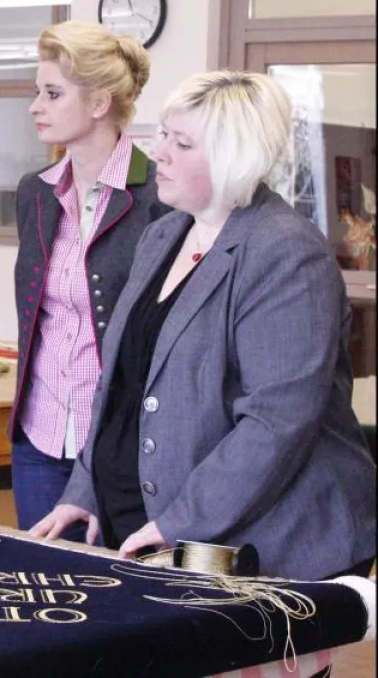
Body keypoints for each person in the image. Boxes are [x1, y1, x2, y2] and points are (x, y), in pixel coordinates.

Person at [31, 70, 377, 582]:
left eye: (182, 143)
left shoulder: (284, 251)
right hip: (152, 526)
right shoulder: (164, 233)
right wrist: (87, 487)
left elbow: (276, 420)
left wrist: (181, 520)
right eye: (164, 135)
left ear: (234, 158)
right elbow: (122, 383)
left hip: (271, 542)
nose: (159, 153)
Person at [10, 20, 168, 541]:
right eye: (38, 92)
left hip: (122, 445)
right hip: (40, 437)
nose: (36, 106)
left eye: (52, 94)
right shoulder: (35, 192)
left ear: (99, 103)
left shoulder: (160, 198)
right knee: (36, 591)